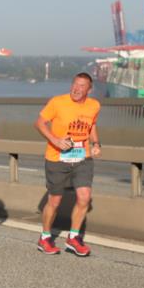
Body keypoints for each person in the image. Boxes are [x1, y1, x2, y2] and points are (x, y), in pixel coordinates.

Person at [34, 73, 101, 256]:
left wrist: (96, 143)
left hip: (82, 157)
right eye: (75, 84)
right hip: (57, 158)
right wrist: (55, 140)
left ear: (89, 89)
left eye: (82, 86)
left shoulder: (94, 105)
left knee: (85, 197)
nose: (77, 89)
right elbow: (39, 123)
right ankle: (45, 237)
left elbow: (92, 126)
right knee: (55, 201)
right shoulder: (57, 102)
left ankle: (73, 238)